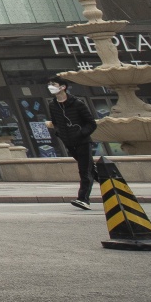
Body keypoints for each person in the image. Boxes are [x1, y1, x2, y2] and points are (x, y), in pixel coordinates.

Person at [45, 78, 99, 210]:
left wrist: (81, 133)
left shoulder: (77, 103)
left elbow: (91, 123)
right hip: (69, 143)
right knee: (90, 169)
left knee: (84, 171)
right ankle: (113, 187)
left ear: (63, 87)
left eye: (54, 84)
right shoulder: (53, 105)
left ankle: (83, 199)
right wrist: (59, 133)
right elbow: (55, 122)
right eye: (50, 84)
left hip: (83, 142)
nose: (50, 87)